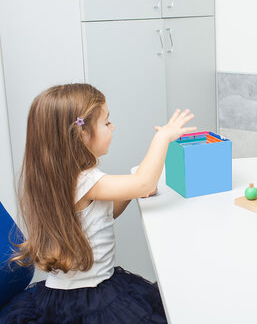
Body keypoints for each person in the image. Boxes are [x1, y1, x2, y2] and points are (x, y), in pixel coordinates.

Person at [0, 83, 195, 323]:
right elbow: (144, 183)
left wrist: (131, 190)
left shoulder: (58, 179)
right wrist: (163, 137)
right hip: (90, 298)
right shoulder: (85, 181)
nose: (113, 126)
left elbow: (105, 214)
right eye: (106, 122)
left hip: (62, 296)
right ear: (81, 134)